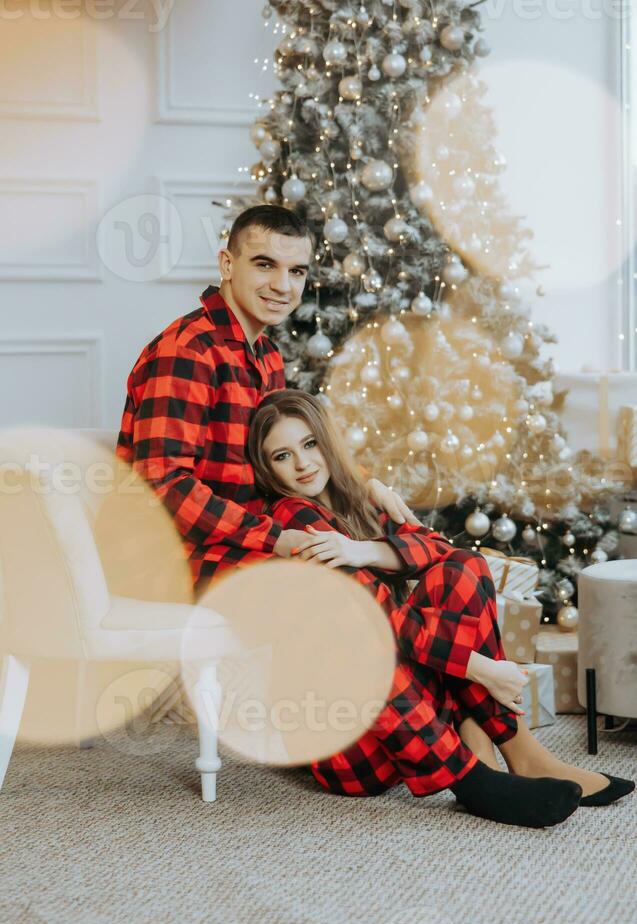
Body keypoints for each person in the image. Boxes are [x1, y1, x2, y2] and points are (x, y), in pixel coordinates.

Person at [248, 389, 635, 827]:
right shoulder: (294, 521)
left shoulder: (360, 499)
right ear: (268, 469)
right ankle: (478, 778)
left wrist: (363, 551)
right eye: (282, 455)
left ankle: (512, 751)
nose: (302, 464)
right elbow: (381, 624)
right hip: (350, 745)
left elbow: (437, 548)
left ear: (327, 441)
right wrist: (482, 668)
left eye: (310, 444)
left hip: (409, 719)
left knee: (463, 567)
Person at [116, 205, 414, 592]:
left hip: (239, 539)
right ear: (227, 265)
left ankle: (461, 653)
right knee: (343, 587)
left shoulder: (267, 356)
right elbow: (164, 483)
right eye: (264, 265)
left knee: (383, 564)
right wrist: (274, 539)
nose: (282, 286)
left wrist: (367, 485)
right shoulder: (187, 352)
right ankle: (451, 655)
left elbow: (288, 451)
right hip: (170, 556)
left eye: (296, 271)